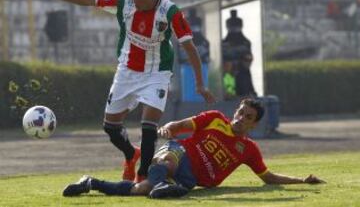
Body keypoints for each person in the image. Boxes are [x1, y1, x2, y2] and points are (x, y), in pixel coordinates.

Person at [24, 0, 215, 183]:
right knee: (111, 127)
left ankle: (143, 177)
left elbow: (189, 47)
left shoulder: (170, 12)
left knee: (149, 125)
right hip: (127, 71)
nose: (135, 0)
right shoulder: (124, 1)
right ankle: (130, 154)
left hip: (157, 73)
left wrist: (200, 84)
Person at [62, 98, 325, 199]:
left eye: (247, 117)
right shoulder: (214, 118)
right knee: (167, 159)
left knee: (140, 190)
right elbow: (180, 125)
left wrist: (301, 180)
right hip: (179, 152)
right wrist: (168, 129)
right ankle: (164, 186)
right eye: (240, 112)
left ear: (254, 125)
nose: (240, 118)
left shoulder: (249, 149)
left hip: (192, 179)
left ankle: (91, 183)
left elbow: (268, 177)